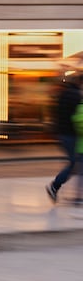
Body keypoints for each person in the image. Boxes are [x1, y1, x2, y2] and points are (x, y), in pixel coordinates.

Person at [46, 73, 83, 203]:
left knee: (76, 163)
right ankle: (55, 186)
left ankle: (58, 187)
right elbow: (78, 118)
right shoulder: (76, 96)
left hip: (62, 133)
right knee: (75, 164)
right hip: (71, 135)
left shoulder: (64, 94)